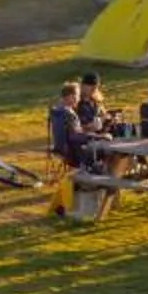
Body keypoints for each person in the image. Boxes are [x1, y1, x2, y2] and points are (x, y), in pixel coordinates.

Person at [44, 80, 88, 216]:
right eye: (77, 95)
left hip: (61, 149)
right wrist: (96, 136)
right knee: (103, 153)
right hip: (75, 153)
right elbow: (76, 136)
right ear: (70, 96)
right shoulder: (68, 114)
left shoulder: (56, 111)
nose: (79, 99)